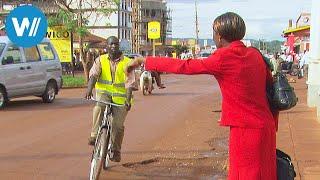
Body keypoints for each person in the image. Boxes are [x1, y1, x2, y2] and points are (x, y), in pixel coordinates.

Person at [126, 12, 278, 180]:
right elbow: (270, 89)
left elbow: (185, 66)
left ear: (220, 36)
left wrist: (145, 61)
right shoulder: (255, 54)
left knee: (243, 175)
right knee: (267, 174)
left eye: (213, 33)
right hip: (267, 126)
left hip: (245, 130)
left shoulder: (223, 57)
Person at [85, 36, 134, 162]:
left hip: (121, 97)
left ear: (119, 46)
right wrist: (89, 89)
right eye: (111, 44)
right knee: (98, 108)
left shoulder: (127, 62)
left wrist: (128, 100)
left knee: (118, 126)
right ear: (106, 46)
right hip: (104, 93)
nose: (113, 46)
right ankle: (94, 135)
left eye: (116, 44)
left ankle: (116, 151)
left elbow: (129, 84)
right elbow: (93, 76)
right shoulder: (100, 60)